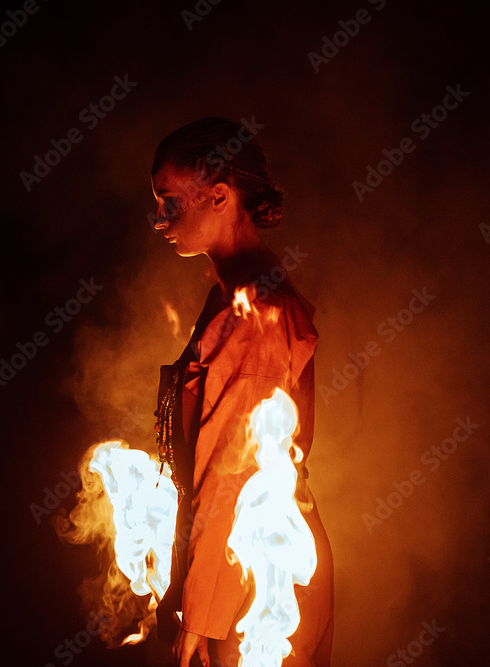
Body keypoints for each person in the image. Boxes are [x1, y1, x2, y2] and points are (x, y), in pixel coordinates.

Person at [149, 117, 333, 667]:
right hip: (237, 561)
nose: (158, 218)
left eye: (169, 202)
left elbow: (233, 470)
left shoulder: (253, 308)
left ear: (220, 196)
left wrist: (204, 611)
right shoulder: (234, 294)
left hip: (260, 571)